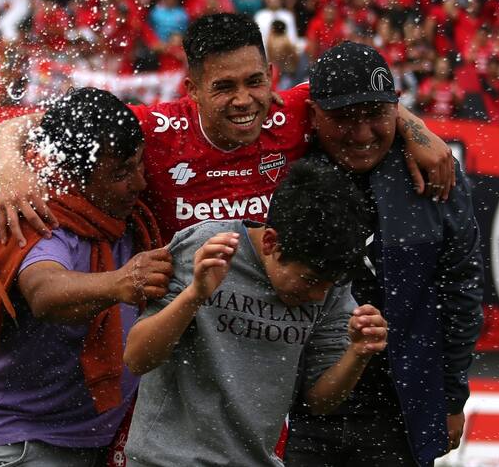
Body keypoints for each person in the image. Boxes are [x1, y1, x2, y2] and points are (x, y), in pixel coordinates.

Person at [0, 13, 455, 249]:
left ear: (272, 76)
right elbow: (18, 125)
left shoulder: (293, 110)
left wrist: (416, 131)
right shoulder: (154, 127)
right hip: (176, 332)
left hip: (268, 330)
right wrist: (11, 171)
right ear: (191, 88)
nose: (244, 100)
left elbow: (362, 99)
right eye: (224, 87)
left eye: (255, 82)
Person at [0, 88, 172, 466]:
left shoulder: (108, 195)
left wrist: (7, 153)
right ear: (73, 175)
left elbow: (20, 125)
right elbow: (45, 291)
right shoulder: (31, 207)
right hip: (20, 442)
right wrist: (123, 281)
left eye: (139, 164)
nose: (140, 182)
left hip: (90, 439)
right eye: (121, 173)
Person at [284, 41, 485, 467]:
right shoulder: (286, 163)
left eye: (374, 116)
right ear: (314, 114)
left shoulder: (437, 175)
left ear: (395, 107)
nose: (361, 135)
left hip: (402, 410)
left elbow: (461, 293)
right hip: (299, 410)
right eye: (342, 119)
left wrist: (451, 398)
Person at [123, 160, 388, 466]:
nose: (318, 296)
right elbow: (137, 358)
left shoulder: (330, 277)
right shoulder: (208, 249)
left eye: (327, 286)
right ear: (271, 242)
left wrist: (358, 353)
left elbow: (319, 401)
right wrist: (195, 295)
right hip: (166, 461)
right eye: (310, 281)